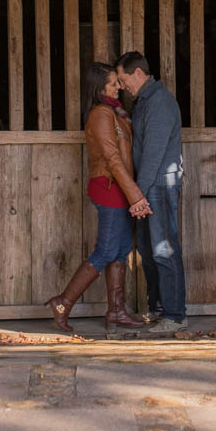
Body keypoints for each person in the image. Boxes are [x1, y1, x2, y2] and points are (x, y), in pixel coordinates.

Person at [45, 62, 150, 334]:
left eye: (118, 82)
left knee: (121, 249)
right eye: (113, 83)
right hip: (110, 187)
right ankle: (63, 302)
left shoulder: (115, 112)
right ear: (98, 86)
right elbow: (113, 159)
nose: (119, 87)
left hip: (120, 187)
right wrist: (136, 195)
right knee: (105, 250)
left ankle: (116, 312)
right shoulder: (102, 114)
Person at [115, 51, 186, 334]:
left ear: (138, 74)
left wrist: (137, 195)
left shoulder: (159, 103)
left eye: (122, 80)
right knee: (147, 248)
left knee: (164, 250)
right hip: (147, 188)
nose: (121, 86)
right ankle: (158, 308)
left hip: (158, 186)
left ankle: (175, 315)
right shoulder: (144, 101)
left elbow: (154, 154)